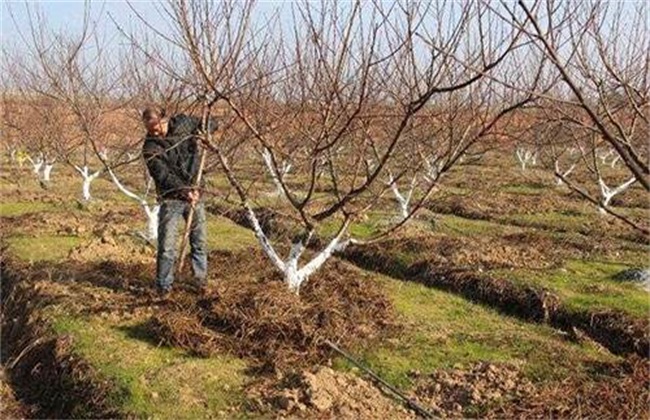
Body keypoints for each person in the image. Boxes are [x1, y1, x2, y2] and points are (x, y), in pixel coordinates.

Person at [141, 107, 210, 295]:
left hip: (197, 191)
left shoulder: (182, 124)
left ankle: (200, 282)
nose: (154, 132)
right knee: (166, 246)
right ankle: (164, 287)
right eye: (150, 129)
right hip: (171, 198)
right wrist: (184, 190)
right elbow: (163, 175)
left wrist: (206, 133)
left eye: (156, 127)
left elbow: (208, 121)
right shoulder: (150, 148)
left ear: (165, 118)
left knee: (199, 242)